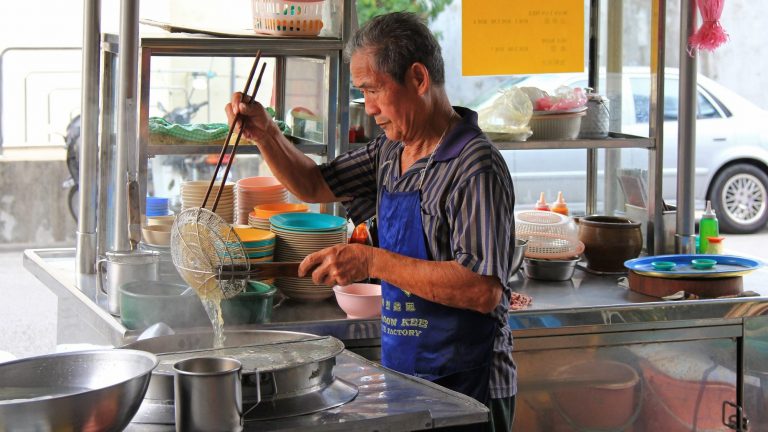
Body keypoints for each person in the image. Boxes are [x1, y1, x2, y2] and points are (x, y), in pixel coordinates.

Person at [226, 12, 516, 431]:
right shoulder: (390, 152)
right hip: (407, 372)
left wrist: (371, 261)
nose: (370, 107)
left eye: (374, 89)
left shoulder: (474, 165)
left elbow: (483, 289)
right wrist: (266, 133)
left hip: (472, 387)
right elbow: (313, 183)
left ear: (418, 78)